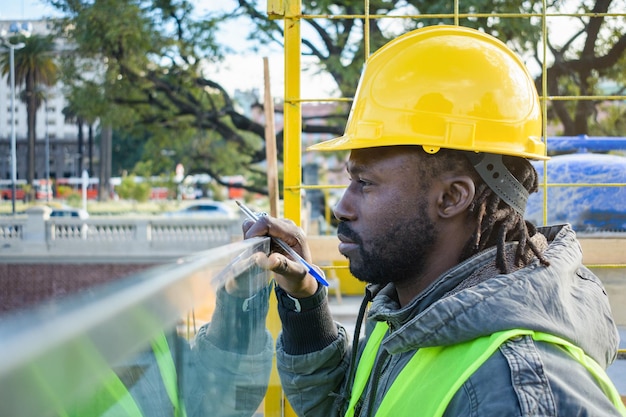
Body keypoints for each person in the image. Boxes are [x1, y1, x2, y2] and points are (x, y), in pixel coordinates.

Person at [243, 25, 626, 416]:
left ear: (451, 197)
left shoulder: (517, 391)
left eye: (364, 183)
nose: (342, 207)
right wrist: (306, 297)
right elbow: (349, 406)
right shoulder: (414, 310)